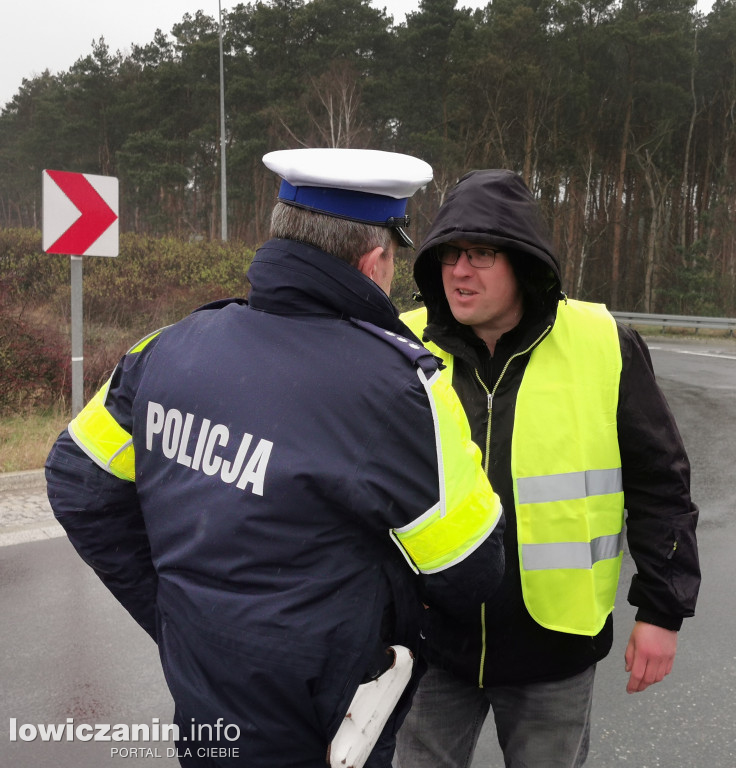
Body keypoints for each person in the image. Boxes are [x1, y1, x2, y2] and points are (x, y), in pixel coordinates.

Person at [44, 148, 506, 768]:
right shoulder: (398, 388)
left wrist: (174, 616)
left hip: (207, 708)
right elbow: (470, 569)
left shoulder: (166, 347)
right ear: (374, 261)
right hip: (328, 723)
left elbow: (77, 482)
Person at [395, 169, 701, 767]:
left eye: (481, 255)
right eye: (449, 255)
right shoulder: (402, 344)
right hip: (431, 642)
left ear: (523, 264)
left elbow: (660, 483)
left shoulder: (602, 343)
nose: (459, 272)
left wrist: (663, 610)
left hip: (552, 649)